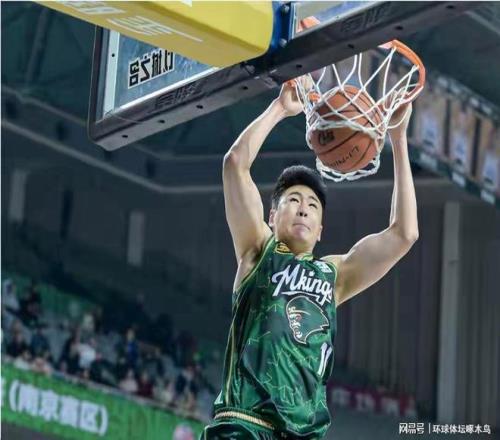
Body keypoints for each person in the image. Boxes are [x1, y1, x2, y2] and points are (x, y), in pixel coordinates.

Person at [202, 82, 418, 439]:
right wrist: (279, 109)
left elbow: (404, 234)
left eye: (313, 205)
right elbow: (235, 164)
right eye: (293, 200)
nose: (303, 208)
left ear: (320, 230)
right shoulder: (259, 250)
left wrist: (398, 138)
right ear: (273, 216)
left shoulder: (334, 275)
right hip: (245, 424)